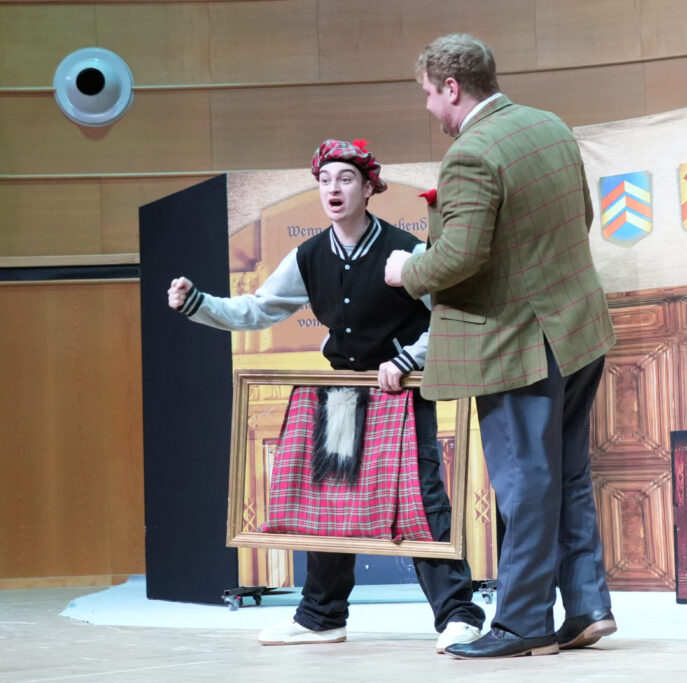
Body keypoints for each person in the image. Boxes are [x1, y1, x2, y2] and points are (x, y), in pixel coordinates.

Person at [167, 139, 484, 653]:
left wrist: (410, 359)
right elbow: (260, 308)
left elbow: (450, 319)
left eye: (346, 179)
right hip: (342, 393)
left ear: (368, 188)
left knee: (421, 499)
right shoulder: (309, 255)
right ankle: (321, 616)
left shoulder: (406, 251)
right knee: (328, 499)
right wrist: (198, 304)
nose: (334, 188)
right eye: (325, 180)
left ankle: (458, 614)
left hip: (400, 391)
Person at [384, 34, 617, 659]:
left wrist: (407, 270)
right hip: (578, 331)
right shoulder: (549, 126)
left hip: (518, 346)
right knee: (566, 473)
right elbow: (582, 217)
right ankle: (587, 606)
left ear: (452, 87)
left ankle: (522, 623)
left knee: (525, 484)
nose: (429, 108)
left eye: (429, 95)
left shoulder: (470, 154)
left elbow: (459, 257)